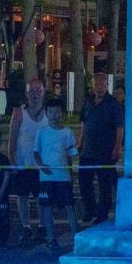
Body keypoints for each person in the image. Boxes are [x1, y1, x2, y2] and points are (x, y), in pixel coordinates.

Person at [33, 98, 79, 251]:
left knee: (69, 206)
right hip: (46, 178)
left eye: (57, 112)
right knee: (47, 208)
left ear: (62, 113)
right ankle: (50, 238)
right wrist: (41, 166)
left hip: (63, 177)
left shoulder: (68, 132)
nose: (54, 115)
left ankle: (76, 237)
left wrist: (71, 174)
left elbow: (71, 155)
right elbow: (36, 152)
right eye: (51, 112)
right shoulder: (42, 132)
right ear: (46, 113)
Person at [79, 75, 123, 225]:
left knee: (105, 184)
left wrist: (117, 147)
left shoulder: (113, 104)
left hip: (105, 151)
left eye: (103, 83)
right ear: (92, 85)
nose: (100, 86)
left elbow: (119, 127)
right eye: (97, 83)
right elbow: (83, 123)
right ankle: (89, 210)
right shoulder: (88, 102)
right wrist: (80, 142)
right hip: (88, 150)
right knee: (84, 181)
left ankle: (102, 213)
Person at [8, 76, 47, 240]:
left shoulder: (49, 113)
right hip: (23, 164)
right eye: (31, 90)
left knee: (42, 198)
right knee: (22, 196)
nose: (35, 94)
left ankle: (43, 225)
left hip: (42, 165)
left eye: (38, 90)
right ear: (26, 92)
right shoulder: (19, 113)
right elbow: (12, 140)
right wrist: (13, 161)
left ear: (44, 92)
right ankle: (25, 226)